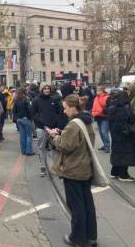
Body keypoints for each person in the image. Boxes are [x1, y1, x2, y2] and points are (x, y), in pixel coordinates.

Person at [47, 94, 97, 247]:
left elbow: (65, 146)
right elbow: (80, 141)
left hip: (74, 169)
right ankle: (91, 236)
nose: (64, 111)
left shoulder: (73, 124)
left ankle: (77, 238)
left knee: (76, 207)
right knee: (87, 204)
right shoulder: (86, 121)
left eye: (65, 108)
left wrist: (54, 136)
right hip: (85, 167)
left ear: (73, 107)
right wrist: (63, 133)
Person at [107, 91, 135, 181]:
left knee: (117, 152)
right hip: (125, 134)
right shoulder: (125, 108)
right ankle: (123, 175)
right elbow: (131, 119)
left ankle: (114, 172)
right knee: (125, 154)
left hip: (114, 133)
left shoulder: (111, 107)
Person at [31, 82, 61, 176]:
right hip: (41, 128)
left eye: (48, 88)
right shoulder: (36, 100)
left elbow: (58, 113)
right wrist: (43, 125)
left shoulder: (53, 99)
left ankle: (55, 167)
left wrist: (55, 126)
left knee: (54, 148)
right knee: (41, 147)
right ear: (41, 89)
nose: (47, 90)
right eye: (45, 88)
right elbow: (33, 114)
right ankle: (42, 167)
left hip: (53, 128)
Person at [13, 88, 34, 156]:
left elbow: (14, 111)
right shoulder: (26, 99)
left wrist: (17, 117)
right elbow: (29, 109)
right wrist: (30, 117)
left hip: (19, 119)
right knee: (28, 135)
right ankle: (29, 151)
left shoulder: (16, 100)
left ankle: (23, 150)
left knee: (22, 136)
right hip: (26, 119)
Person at [91, 86, 111, 153]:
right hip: (98, 116)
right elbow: (94, 106)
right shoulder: (96, 97)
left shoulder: (107, 97)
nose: (97, 91)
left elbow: (109, 107)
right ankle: (105, 145)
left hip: (104, 117)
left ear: (102, 90)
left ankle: (107, 146)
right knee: (100, 132)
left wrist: (103, 110)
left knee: (104, 132)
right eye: (97, 90)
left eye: (98, 90)